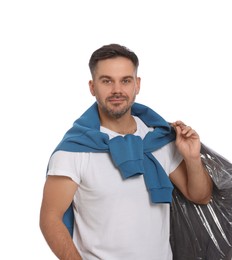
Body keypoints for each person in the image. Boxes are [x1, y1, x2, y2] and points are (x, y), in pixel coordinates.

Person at [39, 43, 213, 260]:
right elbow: (50, 218)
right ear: (92, 87)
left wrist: (192, 157)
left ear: (137, 85)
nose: (117, 90)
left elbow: (200, 196)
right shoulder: (74, 151)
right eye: (106, 81)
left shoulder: (158, 140)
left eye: (125, 80)